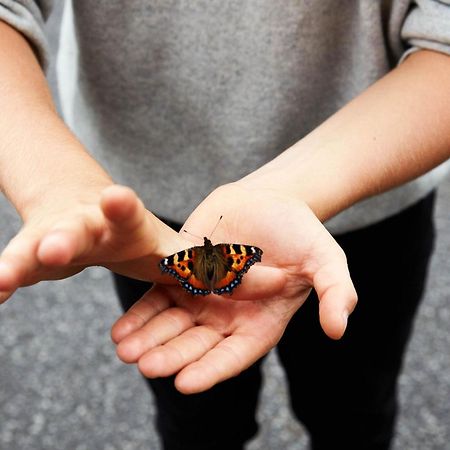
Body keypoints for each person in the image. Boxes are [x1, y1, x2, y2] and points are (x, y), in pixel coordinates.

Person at [0, 1, 449, 449]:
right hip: (144, 228)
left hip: (374, 199)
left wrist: (286, 191)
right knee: (198, 421)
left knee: (353, 410)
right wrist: (57, 183)